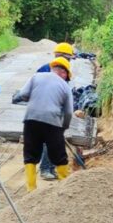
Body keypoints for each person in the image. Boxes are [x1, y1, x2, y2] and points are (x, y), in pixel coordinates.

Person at [13, 57, 74, 192]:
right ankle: (64, 187)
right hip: (53, 122)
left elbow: (23, 94)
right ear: (64, 73)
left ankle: (31, 189)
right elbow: (69, 112)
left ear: (53, 68)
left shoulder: (36, 77)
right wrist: (64, 126)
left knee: (30, 154)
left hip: (31, 119)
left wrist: (34, 98)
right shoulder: (65, 86)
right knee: (59, 156)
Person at [36, 42, 75, 180]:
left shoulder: (47, 69)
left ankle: (50, 167)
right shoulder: (46, 70)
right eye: (68, 58)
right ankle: (46, 169)